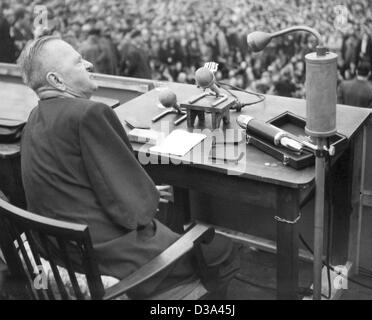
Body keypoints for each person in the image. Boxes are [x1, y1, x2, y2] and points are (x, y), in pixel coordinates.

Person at [18, 36, 239, 299]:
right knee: (222, 249)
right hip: (111, 263)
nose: (88, 63)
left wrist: (139, 190)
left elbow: (80, 185)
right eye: (78, 62)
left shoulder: (35, 116)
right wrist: (147, 192)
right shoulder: (89, 114)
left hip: (62, 255)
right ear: (56, 81)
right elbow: (136, 211)